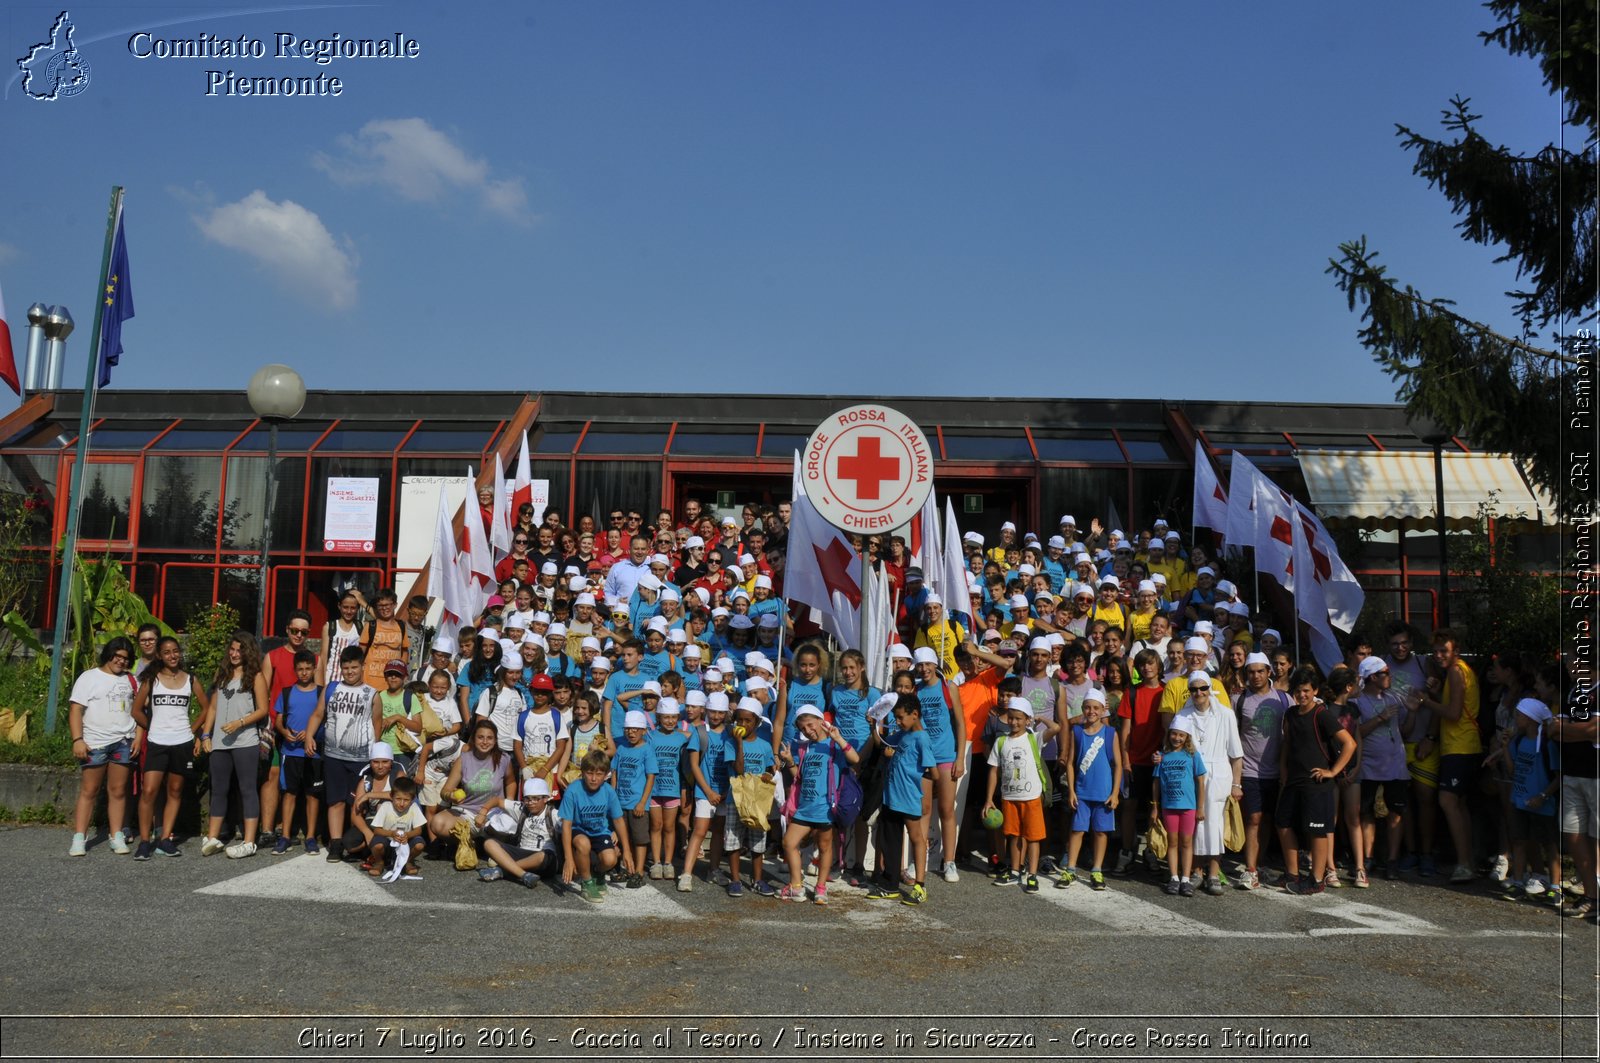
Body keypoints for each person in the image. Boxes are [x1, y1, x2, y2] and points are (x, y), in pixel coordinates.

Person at [1277, 666, 1357, 896]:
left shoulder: (1322, 714)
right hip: (1293, 779)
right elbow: (1288, 744)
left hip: (1316, 782)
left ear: (1315, 691)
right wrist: (1283, 770)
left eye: (1306, 691)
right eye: (1298, 691)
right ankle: (1293, 873)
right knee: (1283, 824)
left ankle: (1317, 879)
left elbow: (1349, 744)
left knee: (1317, 831)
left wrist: (1332, 771)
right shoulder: (1290, 714)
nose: (1302, 695)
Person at [130, 635, 207, 860]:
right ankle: (145, 842)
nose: (172, 656)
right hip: (157, 742)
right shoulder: (151, 679)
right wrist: (152, 726)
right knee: (149, 791)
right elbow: (136, 711)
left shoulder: (190, 679)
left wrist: (192, 731)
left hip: (181, 743)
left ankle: (165, 839)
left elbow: (206, 708)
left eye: (175, 651)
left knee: (174, 791)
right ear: (159, 656)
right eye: (167, 652)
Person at [196, 632, 270, 859]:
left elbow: (263, 710)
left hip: (245, 740)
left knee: (248, 789)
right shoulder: (223, 675)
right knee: (218, 789)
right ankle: (213, 837)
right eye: (232, 649)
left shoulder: (255, 676)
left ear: (248, 652)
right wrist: (206, 734)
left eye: (240, 650)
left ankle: (249, 842)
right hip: (219, 741)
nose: (234, 654)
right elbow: (213, 708)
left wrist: (240, 722)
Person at [776, 706, 860, 904]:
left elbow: (855, 759)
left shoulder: (833, 746)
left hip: (825, 808)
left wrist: (839, 739)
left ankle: (821, 888)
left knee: (824, 848)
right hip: (805, 808)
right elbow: (800, 777)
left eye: (810, 724)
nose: (807, 730)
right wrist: (789, 761)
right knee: (788, 842)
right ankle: (797, 886)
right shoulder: (805, 749)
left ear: (821, 721)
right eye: (803, 728)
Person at [1169, 669, 1242, 895]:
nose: (1198, 693)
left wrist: (1236, 784)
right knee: (1195, 825)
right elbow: (1174, 747)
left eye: (1203, 688)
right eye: (1194, 689)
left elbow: (1236, 753)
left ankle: (1213, 872)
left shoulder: (1226, 714)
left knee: (1215, 825)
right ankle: (1196, 871)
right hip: (1190, 777)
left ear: (1210, 689)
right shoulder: (1183, 714)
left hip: (1218, 772)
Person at [306, 645, 380, 863]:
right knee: (335, 800)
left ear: (362, 667)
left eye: (354, 667)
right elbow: (318, 714)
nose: (350, 672)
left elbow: (377, 724)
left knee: (357, 802)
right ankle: (336, 844)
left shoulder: (372, 694)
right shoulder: (331, 688)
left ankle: (356, 843)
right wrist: (310, 736)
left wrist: (375, 756)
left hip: (361, 758)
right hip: (333, 756)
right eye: (346, 668)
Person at [1418, 629, 1481, 883]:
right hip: (1462, 745)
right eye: (1435, 651)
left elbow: (1453, 713)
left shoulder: (1456, 672)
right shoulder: (1458, 671)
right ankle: (1467, 861)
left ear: (1455, 650)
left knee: (1447, 801)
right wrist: (1434, 696)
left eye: (1444, 650)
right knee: (1458, 804)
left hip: (1460, 746)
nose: (1439, 655)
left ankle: (1464, 863)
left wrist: (1425, 701)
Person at [67, 637, 139, 857]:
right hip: (94, 742)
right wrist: (77, 739)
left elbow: (139, 711)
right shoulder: (89, 677)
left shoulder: (132, 680)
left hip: (124, 741)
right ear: (108, 654)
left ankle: (116, 835)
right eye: (117, 656)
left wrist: (138, 737)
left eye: (126, 659)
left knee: (118, 791)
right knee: (89, 790)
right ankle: (79, 837)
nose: (121, 662)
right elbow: (76, 709)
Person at [983, 696, 1057, 893]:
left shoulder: (1034, 738)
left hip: (1031, 797)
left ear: (1027, 720)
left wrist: (1040, 718)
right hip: (1009, 798)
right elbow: (993, 771)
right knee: (1013, 835)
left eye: (1019, 718)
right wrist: (989, 798)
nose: (1014, 722)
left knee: (1032, 838)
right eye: (1012, 718)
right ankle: (1016, 871)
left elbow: (1056, 728)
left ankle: (1032, 875)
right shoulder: (1001, 742)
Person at [868, 693, 936, 905]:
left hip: (908, 797)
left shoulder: (922, 738)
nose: (897, 722)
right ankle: (890, 884)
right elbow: (882, 742)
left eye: (900, 717)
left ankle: (920, 886)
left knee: (917, 838)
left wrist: (916, 780)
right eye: (895, 718)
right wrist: (873, 725)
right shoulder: (903, 734)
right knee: (891, 841)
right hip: (892, 797)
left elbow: (934, 773)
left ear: (914, 715)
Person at [1355, 656, 1416, 883]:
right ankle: (1368, 857)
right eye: (1385, 673)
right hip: (1369, 766)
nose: (1389, 677)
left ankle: (1392, 860)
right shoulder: (1358, 701)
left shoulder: (1393, 697)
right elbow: (1356, 733)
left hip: (1395, 764)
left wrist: (1412, 712)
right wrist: (1380, 718)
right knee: (1367, 812)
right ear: (1373, 677)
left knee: (1396, 812)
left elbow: (1406, 731)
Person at [911, 647, 968, 884]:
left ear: (935, 665)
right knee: (923, 811)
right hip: (924, 758)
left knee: (946, 810)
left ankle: (949, 862)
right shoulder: (915, 690)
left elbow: (961, 724)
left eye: (928, 664)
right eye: (920, 665)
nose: (924, 669)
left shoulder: (948, 687)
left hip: (946, 755)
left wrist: (960, 757)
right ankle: (919, 861)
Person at [259, 609, 314, 850]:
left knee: (299, 782)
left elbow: (319, 693)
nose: (298, 635)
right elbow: (263, 689)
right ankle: (268, 829)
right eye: (294, 630)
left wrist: (311, 727)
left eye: (303, 631)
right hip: (275, 724)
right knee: (272, 776)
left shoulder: (313, 660)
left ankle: (289, 828)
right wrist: (270, 725)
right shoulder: (272, 656)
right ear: (287, 630)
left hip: (303, 728)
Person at [1234, 652, 1288, 890]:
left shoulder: (1285, 700)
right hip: (1249, 770)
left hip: (1277, 771)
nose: (1255, 676)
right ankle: (1250, 869)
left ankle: (1260, 861)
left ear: (1269, 672)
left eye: (1260, 671)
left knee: (1268, 818)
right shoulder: (1239, 700)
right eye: (1251, 672)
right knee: (1254, 817)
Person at [426, 718, 516, 861]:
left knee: (509, 824)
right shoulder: (463, 759)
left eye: (489, 738)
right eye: (480, 737)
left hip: (493, 812)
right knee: (437, 823)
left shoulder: (503, 759)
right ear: (473, 739)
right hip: (467, 812)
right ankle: (466, 843)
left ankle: (489, 844)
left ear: (495, 740)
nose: (485, 742)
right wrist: (452, 796)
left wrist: (508, 803)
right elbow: (445, 791)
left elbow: (511, 781)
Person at [1059, 688, 1122, 891]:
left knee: (1101, 832)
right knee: (1077, 830)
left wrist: (1114, 793)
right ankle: (1070, 869)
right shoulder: (1076, 731)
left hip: (1103, 794)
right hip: (1082, 793)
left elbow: (1118, 765)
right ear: (1082, 708)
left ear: (1103, 709)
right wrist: (1071, 791)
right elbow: (1069, 763)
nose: (1091, 711)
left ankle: (1097, 870)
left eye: (1096, 707)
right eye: (1087, 707)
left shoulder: (1111, 733)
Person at [1504, 697, 1561, 905]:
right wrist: (1505, 747)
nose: (1516, 718)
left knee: (1549, 844)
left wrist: (1543, 796)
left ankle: (1556, 886)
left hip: (1542, 804)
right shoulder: (1518, 741)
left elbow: (1558, 776)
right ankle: (1518, 882)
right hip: (1520, 800)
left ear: (1530, 719)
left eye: (1519, 715)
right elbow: (1512, 770)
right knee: (1519, 841)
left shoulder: (1547, 745)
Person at [1117, 648, 1166, 875]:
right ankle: (1127, 851)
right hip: (1135, 760)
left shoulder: (1167, 691)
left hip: (1158, 761)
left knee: (1153, 809)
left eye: (1151, 663)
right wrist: (1125, 760)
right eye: (1142, 664)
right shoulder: (1132, 693)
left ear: (1158, 666)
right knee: (1128, 806)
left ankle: (1151, 851)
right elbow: (1125, 730)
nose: (1147, 668)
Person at [560, 747, 630, 903]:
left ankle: (597, 873)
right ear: (582, 772)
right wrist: (568, 859)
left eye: (599, 774)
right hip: (578, 830)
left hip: (599, 831)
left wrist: (627, 851)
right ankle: (587, 883)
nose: (593, 778)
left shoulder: (609, 791)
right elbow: (566, 825)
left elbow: (618, 820)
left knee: (611, 859)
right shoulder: (573, 790)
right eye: (589, 773)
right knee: (583, 843)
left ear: (606, 776)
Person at [271, 649, 323, 855]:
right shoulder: (287, 692)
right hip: (290, 752)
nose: (304, 673)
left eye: (308, 669)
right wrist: (284, 732)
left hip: (313, 752)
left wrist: (311, 734)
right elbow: (278, 719)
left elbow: (325, 720)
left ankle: (310, 837)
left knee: (312, 795)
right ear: (295, 670)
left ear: (314, 669)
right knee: (289, 794)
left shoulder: (321, 693)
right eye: (300, 669)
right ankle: (285, 836)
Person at [725, 697, 777, 897]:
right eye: (740, 720)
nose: (743, 725)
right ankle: (736, 880)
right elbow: (738, 770)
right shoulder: (731, 743)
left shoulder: (764, 745)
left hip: (758, 801)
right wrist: (739, 744)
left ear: (757, 723)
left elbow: (771, 770)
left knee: (758, 842)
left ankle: (758, 879)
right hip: (735, 799)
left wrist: (768, 775)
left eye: (748, 721)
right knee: (734, 841)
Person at [680, 691, 732, 891]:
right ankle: (686, 874)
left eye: (720, 712)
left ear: (726, 713)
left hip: (725, 792)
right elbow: (694, 765)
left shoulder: (731, 733)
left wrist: (726, 791)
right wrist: (708, 791)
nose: (716, 716)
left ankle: (714, 869)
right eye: (713, 712)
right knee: (700, 831)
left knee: (718, 832)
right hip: (705, 791)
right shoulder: (700, 732)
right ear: (707, 710)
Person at [1155, 720, 1206, 897]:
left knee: (1186, 842)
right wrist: (1155, 806)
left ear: (1187, 738)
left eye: (1181, 735)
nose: (1177, 738)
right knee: (1172, 841)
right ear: (1169, 735)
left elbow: (1200, 781)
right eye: (1174, 734)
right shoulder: (1162, 756)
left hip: (1188, 807)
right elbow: (1156, 783)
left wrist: (1200, 807)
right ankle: (1174, 877)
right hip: (1169, 806)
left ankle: (1186, 878)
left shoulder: (1193, 756)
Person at [480, 777, 562, 888]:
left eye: (535, 799)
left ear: (546, 798)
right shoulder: (522, 808)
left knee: (542, 856)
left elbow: (569, 830)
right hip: (522, 852)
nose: (530, 803)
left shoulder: (554, 814)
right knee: (489, 843)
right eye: (527, 799)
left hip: (544, 860)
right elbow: (497, 800)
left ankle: (503, 870)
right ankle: (523, 875)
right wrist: (483, 812)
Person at [611, 708, 659, 889]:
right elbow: (614, 772)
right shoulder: (621, 748)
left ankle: (638, 871)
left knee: (639, 838)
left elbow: (651, 777)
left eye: (635, 729)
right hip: (621, 801)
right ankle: (627, 868)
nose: (631, 732)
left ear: (643, 731)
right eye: (627, 729)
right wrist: (613, 795)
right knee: (626, 837)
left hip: (637, 803)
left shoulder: (646, 749)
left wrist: (643, 802)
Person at [646, 698, 689, 881]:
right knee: (656, 826)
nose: (670, 721)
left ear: (678, 717)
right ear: (658, 717)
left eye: (673, 717)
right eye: (666, 717)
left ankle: (668, 862)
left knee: (670, 827)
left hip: (673, 789)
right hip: (654, 789)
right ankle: (656, 861)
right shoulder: (650, 736)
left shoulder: (682, 737)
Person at [366, 774, 425, 879]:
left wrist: (408, 835)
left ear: (412, 799)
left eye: (406, 800)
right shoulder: (385, 807)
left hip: (405, 844)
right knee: (377, 843)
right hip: (388, 844)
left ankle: (408, 862)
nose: (402, 804)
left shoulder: (414, 807)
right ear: (391, 796)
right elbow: (377, 830)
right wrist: (391, 834)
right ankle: (379, 862)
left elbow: (419, 830)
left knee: (419, 844)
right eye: (398, 799)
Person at [318, 592, 363, 686]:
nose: (349, 611)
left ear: (358, 608)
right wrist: (321, 684)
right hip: (331, 680)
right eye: (345, 607)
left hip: (353, 682)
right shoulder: (330, 627)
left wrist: (362, 602)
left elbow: (381, 620)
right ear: (339, 606)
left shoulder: (360, 627)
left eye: (353, 608)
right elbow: (323, 657)